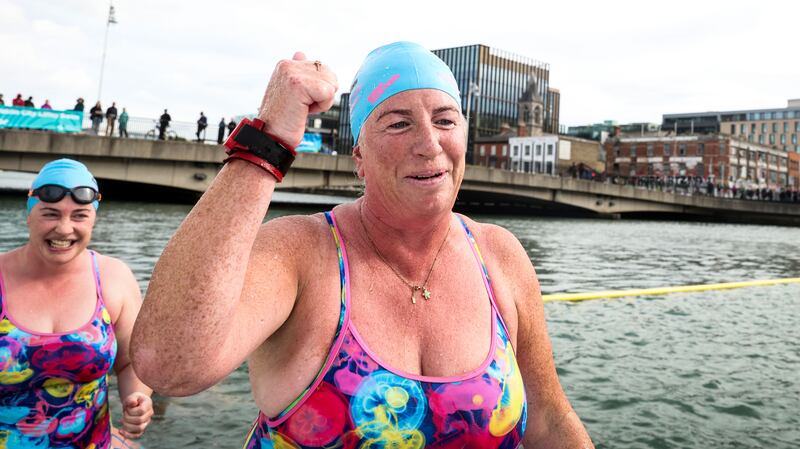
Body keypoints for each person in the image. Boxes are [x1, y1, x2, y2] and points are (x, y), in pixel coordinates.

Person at [131, 42, 594, 449]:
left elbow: (549, 421)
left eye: (445, 120)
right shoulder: (302, 253)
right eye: (398, 124)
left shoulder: (499, 255)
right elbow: (168, 363)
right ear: (359, 158)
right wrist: (267, 139)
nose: (429, 143)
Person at [0, 159, 154, 448]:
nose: (64, 228)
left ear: (93, 219)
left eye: (80, 216)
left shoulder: (112, 278)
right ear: (29, 215)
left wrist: (137, 397)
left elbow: (131, 362)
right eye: (50, 214)